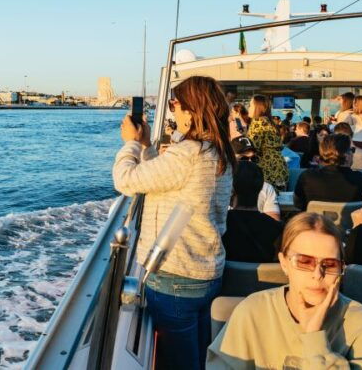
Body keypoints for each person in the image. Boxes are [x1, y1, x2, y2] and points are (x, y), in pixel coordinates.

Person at [113, 75, 235, 369]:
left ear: (191, 112)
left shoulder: (187, 154)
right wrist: (146, 146)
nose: (172, 111)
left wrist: (130, 144)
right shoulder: (218, 152)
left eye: (174, 104)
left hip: (174, 278)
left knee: (178, 363)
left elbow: (125, 179)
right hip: (205, 272)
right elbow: (167, 177)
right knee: (198, 355)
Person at [207, 212, 362, 368]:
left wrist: (314, 341)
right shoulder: (252, 312)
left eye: (329, 264)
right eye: (305, 261)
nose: (317, 274)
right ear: (284, 263)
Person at [223, 161, 284, 262]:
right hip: (262, 278)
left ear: (232, 188)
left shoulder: (220, 225)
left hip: (229, 277)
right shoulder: (276, 229)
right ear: (261, 188)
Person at [294, 134, 362, 210]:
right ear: (346, 156)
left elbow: (298, 204)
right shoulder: (360, 180)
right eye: (352, 150)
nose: (353, 154)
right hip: (349, 221)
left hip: (315, 221)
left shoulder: (307, 177)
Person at [231, 136, 281, 220]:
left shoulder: (266, 187)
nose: (250, 162)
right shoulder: (220, 185)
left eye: (254, 158)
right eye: (243, 158)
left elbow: (274, 219)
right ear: (230, 158)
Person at [248, 95, 288, 190]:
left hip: (266, 167)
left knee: (264, 200)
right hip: (279, 166)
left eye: (250, 105)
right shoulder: (270, 121)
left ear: (258, 107)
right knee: (275, 199)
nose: (248, 108)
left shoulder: (258, 122)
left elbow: (252, 148)